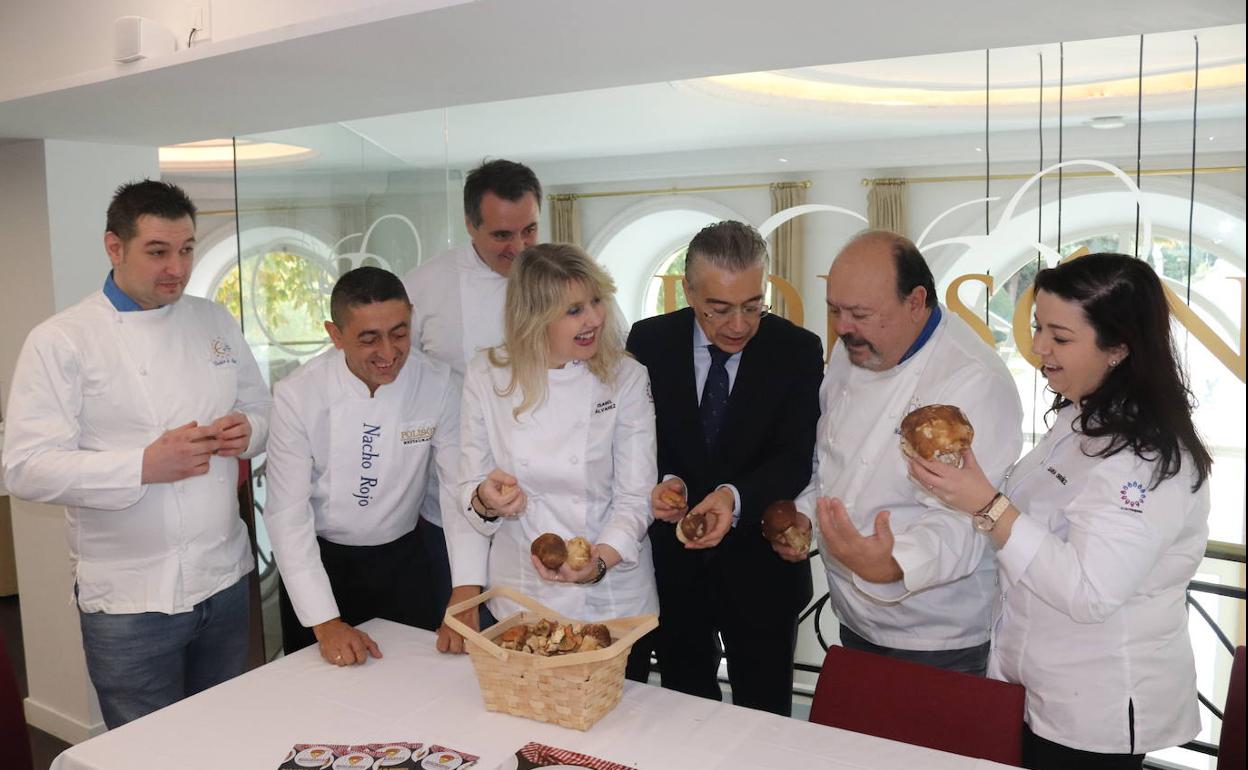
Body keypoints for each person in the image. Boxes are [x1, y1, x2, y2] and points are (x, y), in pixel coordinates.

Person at [909, 253, 1212, 769]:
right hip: (1034, 682)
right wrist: (971, 492)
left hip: (1097, 703)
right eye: (1037, 329)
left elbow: (1090, 592)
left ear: (1119, 346)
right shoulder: (1077, 417)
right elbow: (1026, 521)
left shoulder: (1148, 458)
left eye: (1060, 337)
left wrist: (988, 503)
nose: (1039, 349)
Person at [1, 180, 271, 728]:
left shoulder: (213, 320)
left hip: (223, 579)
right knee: (144, 751)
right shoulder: (62, 340)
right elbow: (24, 467)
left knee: (226, 734)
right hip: (129, 599)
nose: (177, 266)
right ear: (113, 247)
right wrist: (143, 466)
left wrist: (250, 429)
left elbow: (260, 407)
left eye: (187, 249)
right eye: (158, 251)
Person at [787, 230, 1022, 677]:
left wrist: (892, 563)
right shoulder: (852, 349)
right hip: (853, 617)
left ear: (916, 302)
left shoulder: (972, 380)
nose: (842, 328)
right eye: (836, 310)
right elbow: (831, 463)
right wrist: (805, 514)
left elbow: (967, 519)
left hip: (935, 634)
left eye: (860, 313)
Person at [627, 220, 823, 716]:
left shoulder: (797, 351)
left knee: (764, 717)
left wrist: (733, 498)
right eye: (719, 308)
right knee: (683, 711)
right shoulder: (649, 342)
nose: (738, 324)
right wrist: (665, 483)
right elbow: (636, 442)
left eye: (753, 306)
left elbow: (796, 456)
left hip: (762, 572)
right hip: (674, 572)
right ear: (689, 292)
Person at [447, 243, 658, 681]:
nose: (594, 319)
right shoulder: (488, 375)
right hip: (524, 602)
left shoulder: (627, 378)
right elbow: (469, 486)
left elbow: (636, 498)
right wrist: (488, 499)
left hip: (614, 601)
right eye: (574, 310)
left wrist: (596, 562)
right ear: (534, 317)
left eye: (597, 301)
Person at [264, 267, 464, 667]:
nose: (389, 353)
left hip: (406, 562)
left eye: (399, 333)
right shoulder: (298, 395)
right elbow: (287, 515)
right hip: (321, 565)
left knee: (414, 684)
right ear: (335, 335)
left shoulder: (439, 384)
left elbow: (458, 492)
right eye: (369, 339)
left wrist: (464, 593)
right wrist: (325, 621)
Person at [401, 159, 542, 640]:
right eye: (503, 235)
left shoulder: (562, 279)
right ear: (469, 225)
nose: (519, 247)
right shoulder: (424, 287)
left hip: (546, 498)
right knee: (462, 641)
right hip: (455, 499)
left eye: (529, 230)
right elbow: (400, 378)